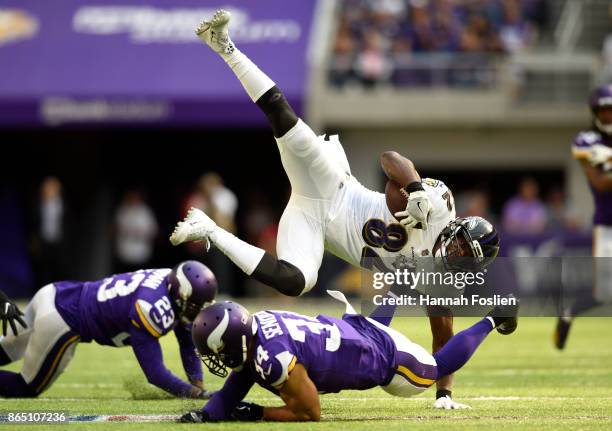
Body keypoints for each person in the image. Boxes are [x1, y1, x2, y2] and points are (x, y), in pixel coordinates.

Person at [171, 10, 500, 409]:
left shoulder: (440, 281)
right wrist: (413, 186)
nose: (458, 255)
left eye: (466, 260)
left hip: (317, 226)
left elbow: (443, 336)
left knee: (295, 282)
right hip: (336, 190)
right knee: (287, 123)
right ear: (458, 229)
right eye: (464, 246)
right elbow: (390, 158)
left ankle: (211, 230)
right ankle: (225, 46)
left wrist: (444, 393)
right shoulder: (438, 208)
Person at [180, 291, 518, 422]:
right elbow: (243, 375)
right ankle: (400, 283)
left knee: (434, 370)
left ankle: (495, 316)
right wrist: (209, 414)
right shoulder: (258, 328)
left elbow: (310, 411)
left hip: (379, 356)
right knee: (372, 326)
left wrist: (257, 413)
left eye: (219, 351)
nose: (219, 359)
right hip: (352, 329)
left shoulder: (272, 357)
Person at [0, 261, 216, 398]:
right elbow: (155, 373)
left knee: (6, 350)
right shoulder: (151, 307)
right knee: (26, 387)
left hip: (55, 292)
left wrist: (198, 383)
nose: (196, 314)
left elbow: (186, 339)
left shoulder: (170, 281)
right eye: (194, 307)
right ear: (181, 297)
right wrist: (194, 394)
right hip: (64, 319)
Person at [555, 85, 612, 349]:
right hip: (606, 223)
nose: (609, 115)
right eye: (605, 110)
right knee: (602, 293)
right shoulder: (587, 140)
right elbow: (600, 183)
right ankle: (569, 312)